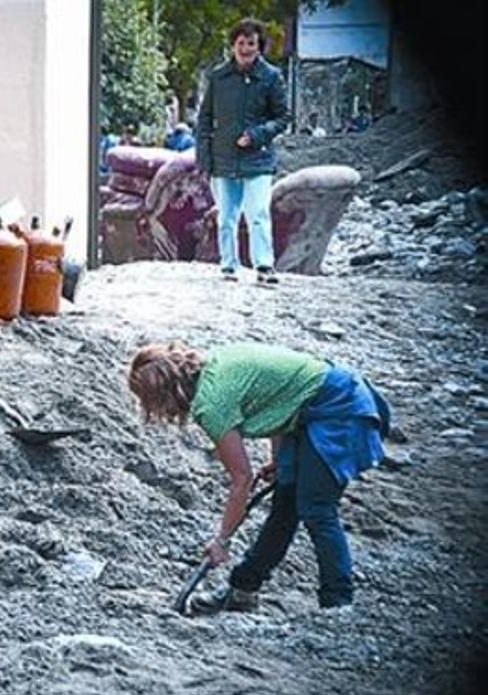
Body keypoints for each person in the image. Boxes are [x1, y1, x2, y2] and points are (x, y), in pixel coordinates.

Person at [127, 341, 391, 615]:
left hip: (340, 407)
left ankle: (338, 605)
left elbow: (242, 479)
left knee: (317, 509)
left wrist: (222, 541)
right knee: (285, 503)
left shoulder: (212, 405)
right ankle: (243, 589)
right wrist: (278, 462)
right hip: (312, 405)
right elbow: (278, 403)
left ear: (165, 394)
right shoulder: (214, 366)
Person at [195, 18, 291, 284]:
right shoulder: (218, 77)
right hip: (223, 160)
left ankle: (264, 266)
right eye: (241, 43)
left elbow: (283, 117)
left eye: (251, 43)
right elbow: (204, 120)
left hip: (258, 159)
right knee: (226, 216)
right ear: (233, 46)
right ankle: (228, 265)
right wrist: (204, 158)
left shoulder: (271, 77)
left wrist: (257, 135)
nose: (246, 48)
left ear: (259, 47)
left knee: (258, 213)